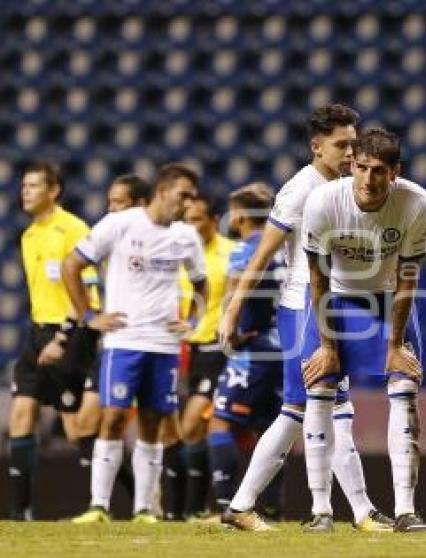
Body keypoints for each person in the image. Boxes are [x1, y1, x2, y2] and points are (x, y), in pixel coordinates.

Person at [218, 104, 392, 532]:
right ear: (317, 147)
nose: (352, 153)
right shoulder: (301, 190)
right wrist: (233, 311)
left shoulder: (345, 187)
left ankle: (355, 511)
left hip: (333, 309)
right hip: (303, 309)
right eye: (342, 145)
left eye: (355, 143)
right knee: (301, 408)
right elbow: (261, 256)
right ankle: (258, 506)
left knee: (337, 409)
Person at [299, 127, 426, 533]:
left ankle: (406, 511)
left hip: (387, 298)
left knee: (404, 389)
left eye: (378, 171)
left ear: (396, 172)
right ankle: (321, 511)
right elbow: (317, 279)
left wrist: (395, 344)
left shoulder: (416, 202)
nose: (368, 180)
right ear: (350, 165)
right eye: (360, 168)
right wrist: (328, 346)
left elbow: (409, 278)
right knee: (320, 390)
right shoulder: (323, 202)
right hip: (335, 297)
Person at [65, 163, 207, 523]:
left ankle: (144, 508)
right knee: (111, 418)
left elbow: (202, 284)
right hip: (124, 340)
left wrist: (191, 321)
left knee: (152, 423)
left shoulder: (186, 236)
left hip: (165, 345)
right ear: (162, 191)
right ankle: (98, 505)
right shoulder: (120, 224)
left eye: (192, 197)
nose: (189, 204)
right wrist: (89, 317)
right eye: (183, 195)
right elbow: (71, 265)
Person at [7, 162, 100, 520]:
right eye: (24, 186)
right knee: (21, 414)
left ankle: (127, 498)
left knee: (77, 430)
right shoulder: (29, 235)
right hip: (37, 334)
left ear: (54, 190)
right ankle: (21, 513)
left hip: (71, 333)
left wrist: (63, 338)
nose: (25, 192)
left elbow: (89, 294)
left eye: (33, 186)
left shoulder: (73, 229)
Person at [203, 183, 284, 517]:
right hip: (286, 346)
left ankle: (227, 505)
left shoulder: (245, 250)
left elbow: (237, 293)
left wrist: (231, 332)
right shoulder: (284, 248)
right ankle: (270, 507)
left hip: (254, 347)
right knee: (272, 431)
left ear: (239, 215)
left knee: (219, 425)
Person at [74, 174, 152, 502]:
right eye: (109, 201)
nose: (110, 209)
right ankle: (124, 500)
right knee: (95, 420)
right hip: (117, 343)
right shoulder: (109, 234)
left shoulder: (163, 237)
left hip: (159, 342)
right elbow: (76, 270)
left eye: (118, 202)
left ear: (139, 205)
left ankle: (164, 505)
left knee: (168, 428)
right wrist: (91, 318)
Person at [159, 194, 234, 521]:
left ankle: (196, 506)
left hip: (214, 350)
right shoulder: (174, 252)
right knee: (172, 430)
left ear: (213, 221)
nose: (190, 227)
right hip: (178, 350)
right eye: (186, 221)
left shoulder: (231, 253)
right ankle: (177, 511)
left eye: (197, 220)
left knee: (192, 425)